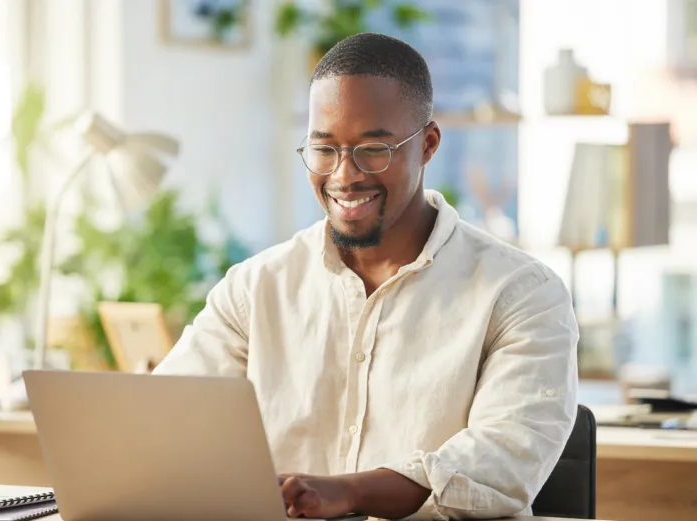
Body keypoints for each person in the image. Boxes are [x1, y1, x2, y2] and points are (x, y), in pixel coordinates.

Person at [154, 32, 578, 521]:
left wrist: (349, 494)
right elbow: (168, 427)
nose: (344, 175)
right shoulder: (254, 289)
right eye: (324, 149)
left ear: (428, 144)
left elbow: (505, 462)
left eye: (373, 149)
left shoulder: (522, 293)